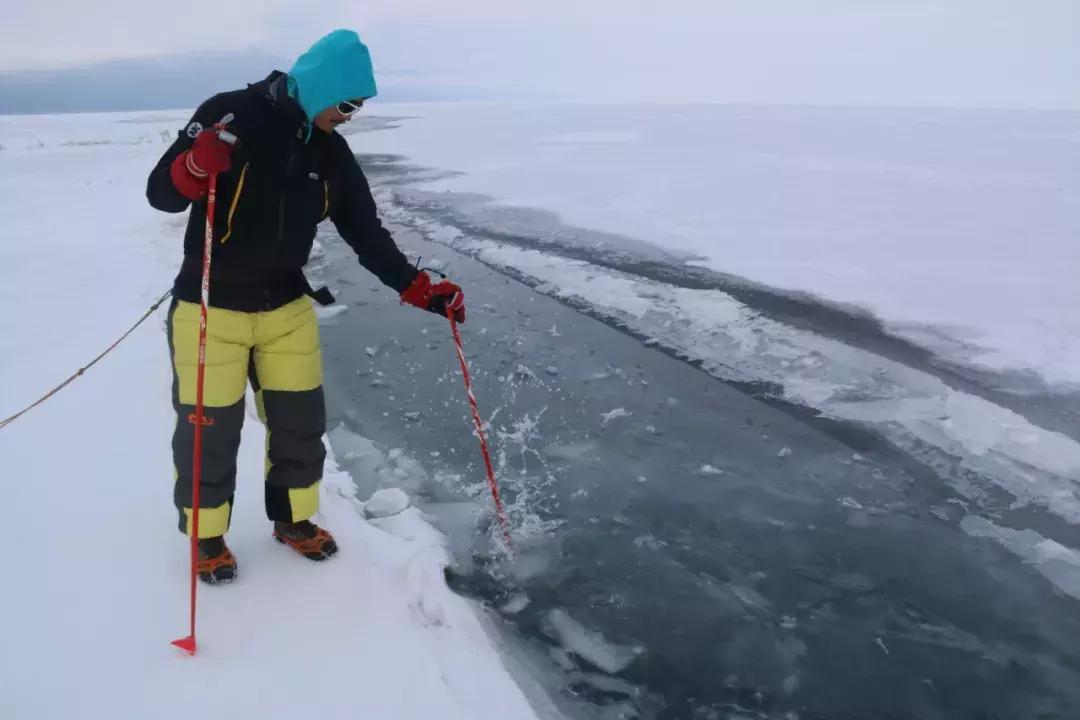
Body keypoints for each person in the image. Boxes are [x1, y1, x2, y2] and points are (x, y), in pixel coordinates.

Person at [146, 29, 466, 584]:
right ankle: (208, 536)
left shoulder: (332, 156)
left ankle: (292, 521)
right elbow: (162, 193)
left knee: (299, 424)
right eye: (346, 103)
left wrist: (417, 287)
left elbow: (366, 232)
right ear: (322, 87)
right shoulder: (228, 115)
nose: (349, 116)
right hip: (209, 308)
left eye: (358, 108)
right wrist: (196, 166)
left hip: (285, 307)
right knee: (209, 429)